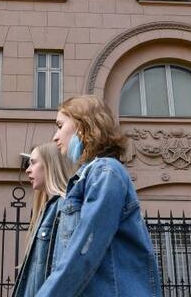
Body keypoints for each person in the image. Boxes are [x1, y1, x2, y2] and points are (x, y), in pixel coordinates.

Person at [35, 95, 162, 297]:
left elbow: (85, 246)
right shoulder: (88, 175)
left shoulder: (106, 171)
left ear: (82, 125)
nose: (55, 137)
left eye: (60, 126)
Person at [12, 142, 75, 297]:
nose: (27, 169)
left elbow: (64, 268)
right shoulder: (49, 208)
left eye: (33, 162)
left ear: (50, 165)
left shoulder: (65, 207)